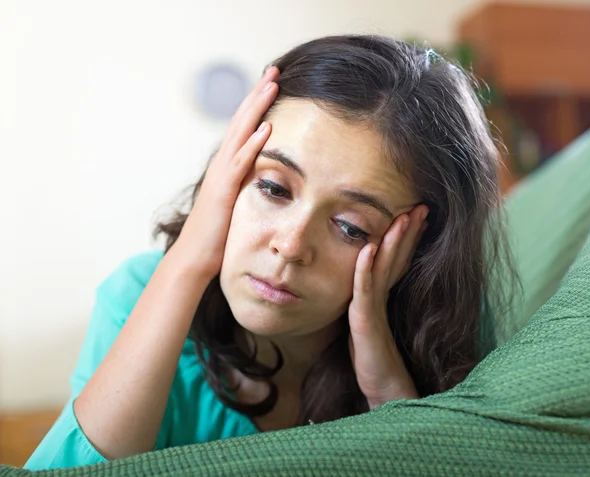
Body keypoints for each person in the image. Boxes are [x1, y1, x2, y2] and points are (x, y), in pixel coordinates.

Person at [25, 34, 517, 470]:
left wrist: (387, 392)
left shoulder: (448, 334)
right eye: (273, 188)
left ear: (417, 253)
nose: (290, 245)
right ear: (230, 175)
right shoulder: (137, 292)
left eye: (350, 227)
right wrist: (190, 259)